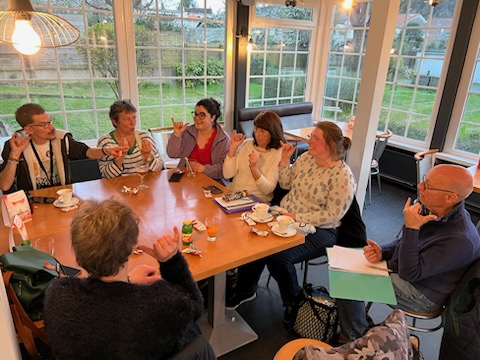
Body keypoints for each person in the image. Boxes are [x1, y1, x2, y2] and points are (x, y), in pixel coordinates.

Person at [43, 199, 215, 360]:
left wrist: (128, 283)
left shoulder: (57, 294)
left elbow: (103, 305)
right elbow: (195, 304)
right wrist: (171, 261)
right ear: (133, 248)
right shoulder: (160, 303)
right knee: (198, 340)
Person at [226, 121, 356, 321]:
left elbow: (333, 214)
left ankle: (294, 305)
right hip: (286, 216)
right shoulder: (306, 158)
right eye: (310, 135)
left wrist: (297, 217)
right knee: (254, 239)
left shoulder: (343, 176)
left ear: (329, 146)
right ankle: (246, 289)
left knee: (279, 258)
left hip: (321, 229)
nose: (309, 140)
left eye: (315, 138)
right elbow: (286, 183)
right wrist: (285, 161)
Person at [339, 164, 480, 340]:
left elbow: (409, 273)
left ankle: (355, 338)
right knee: (347, 269)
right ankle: (361, 327)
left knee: (347, 282)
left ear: (450, 197)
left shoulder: (460, 239)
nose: (419, 187)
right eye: (424, 181)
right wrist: (384, 250)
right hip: (415, 274)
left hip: (423, 294)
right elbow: (407, 243)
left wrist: (412, 227)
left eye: (427, 185)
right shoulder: (437, 211)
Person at [0, 103, 124, 193]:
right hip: (32, 201)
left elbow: (88, 153)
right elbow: (4, 186)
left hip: (63, 197)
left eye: (50, 121)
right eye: (44, 125)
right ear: (29, 129)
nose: (52, 127)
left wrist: (107, 151)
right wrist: (14, 156)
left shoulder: (62, 139)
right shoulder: (14, 145)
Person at [223, 110, 284, 202]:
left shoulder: (278, 153)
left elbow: (268, 189)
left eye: (262, 131)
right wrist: (233, 149)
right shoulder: (247, 144)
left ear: (273, 133)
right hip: (234, 194)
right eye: (256, 129)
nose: (257, 134)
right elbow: (227, 175)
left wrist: (254, 168)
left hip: (255, 200)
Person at [167, 98, 230, 184]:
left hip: (212, 184)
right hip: (186, 182)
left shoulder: (223, 139)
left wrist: (204, 169)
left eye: (202, 115)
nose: (197, 118)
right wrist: (177, 135)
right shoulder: (187, 132)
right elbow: (172, 154)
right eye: (196, 114)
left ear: (212, 117)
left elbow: (225, 169)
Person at [97, 99, 163, 177]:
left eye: (134, 118)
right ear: (115, 122)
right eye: (127, 119)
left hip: (144, 186)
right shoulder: (105, 142)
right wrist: (120, 157)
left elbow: (160, 168)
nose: (133, 123)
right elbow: (105, 176)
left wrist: (149, 156)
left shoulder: (144, 137)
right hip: (118, 187)